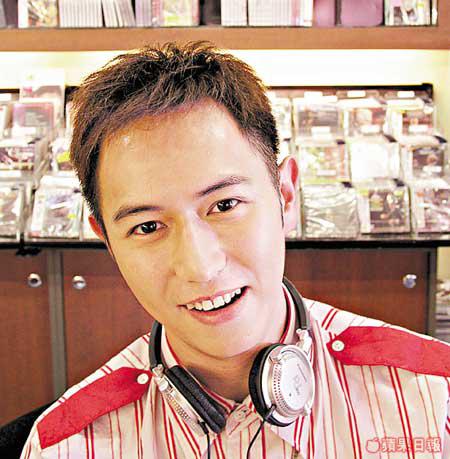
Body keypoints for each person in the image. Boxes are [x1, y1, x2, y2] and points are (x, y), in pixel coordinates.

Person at [21, 42, 449, 459]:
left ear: (285, 196)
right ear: (109, 243)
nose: (200, 266)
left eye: (225, 205)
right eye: (147, 227)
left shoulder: (433, 397)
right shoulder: (67, 446)